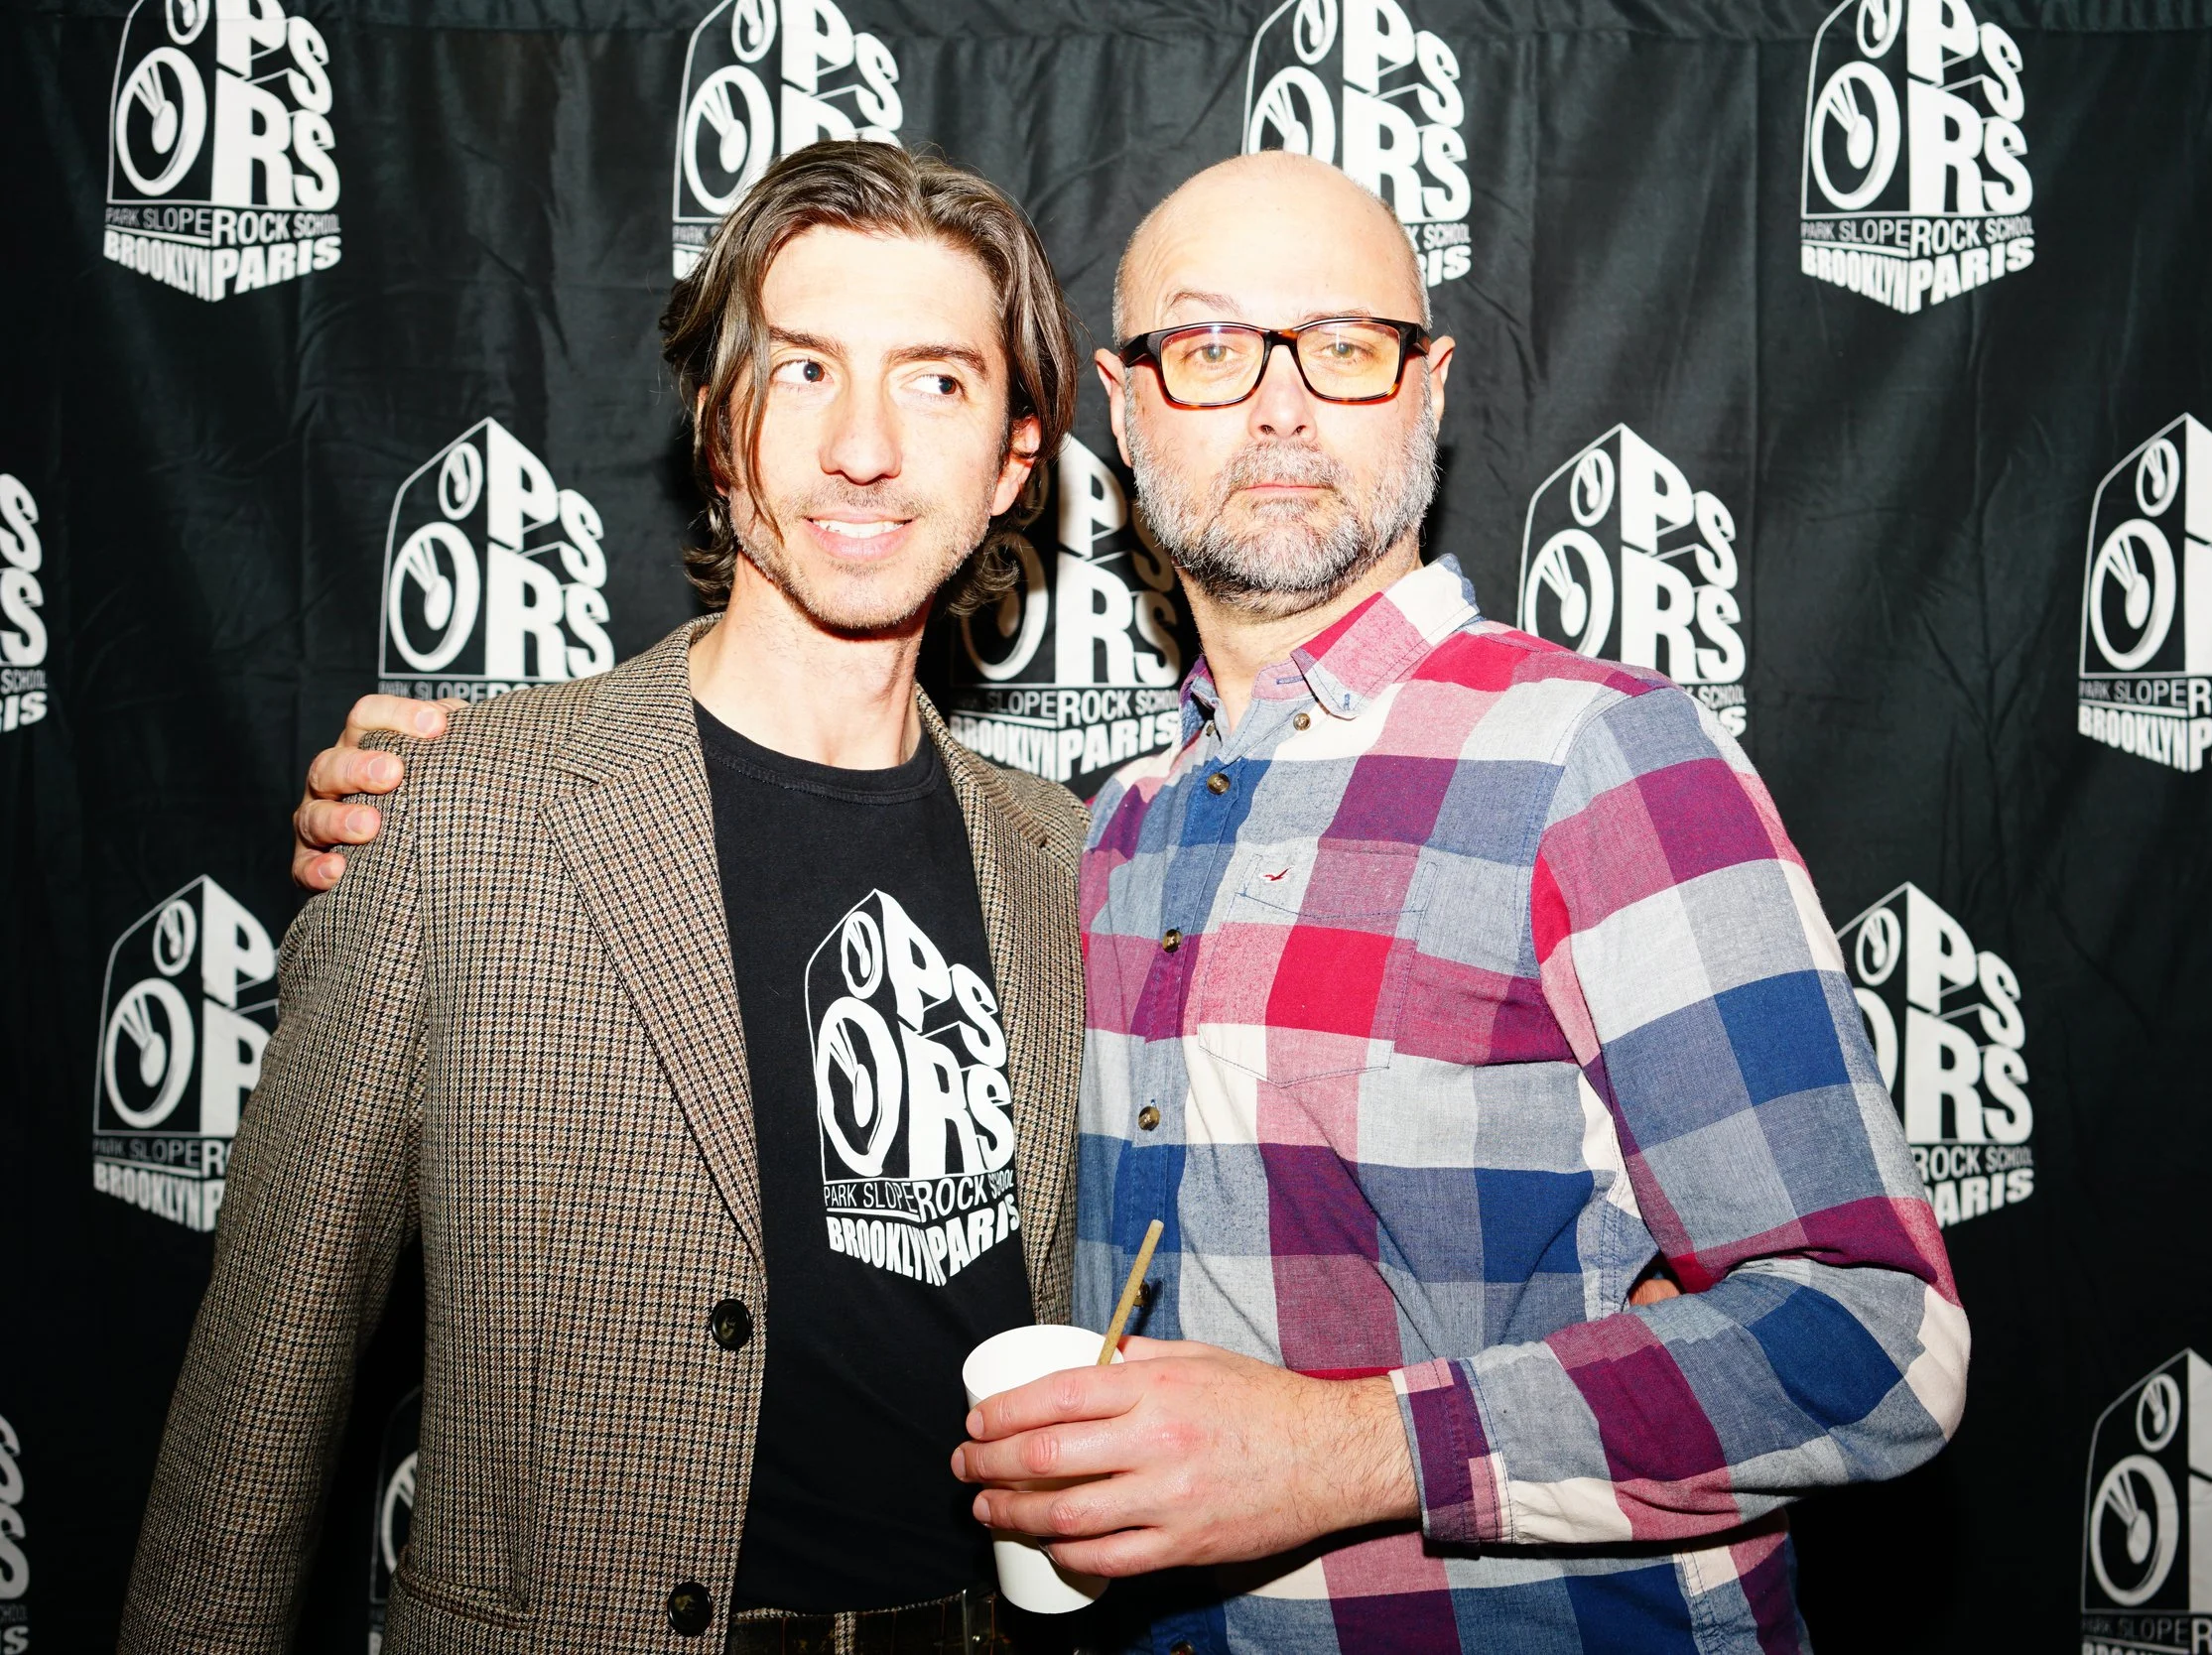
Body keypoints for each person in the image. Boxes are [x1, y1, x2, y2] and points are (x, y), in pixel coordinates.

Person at [293, 153, 1968, 1653]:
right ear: (1117, 406)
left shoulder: (1596, 761)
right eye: (1212, 347)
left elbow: (1878, 1338)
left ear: (1431, 385)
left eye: (1346, 345)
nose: (1282, 408)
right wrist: (456, 799)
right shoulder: (1099, 842)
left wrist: (1344, 1449)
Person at [125, 143, 1090, 1655]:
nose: (862, 448)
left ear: (1015, 459)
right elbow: (263, 1386)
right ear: (716, 424)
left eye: (936, 382)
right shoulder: (460, 811)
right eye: (803, 371)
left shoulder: (1072, 865)